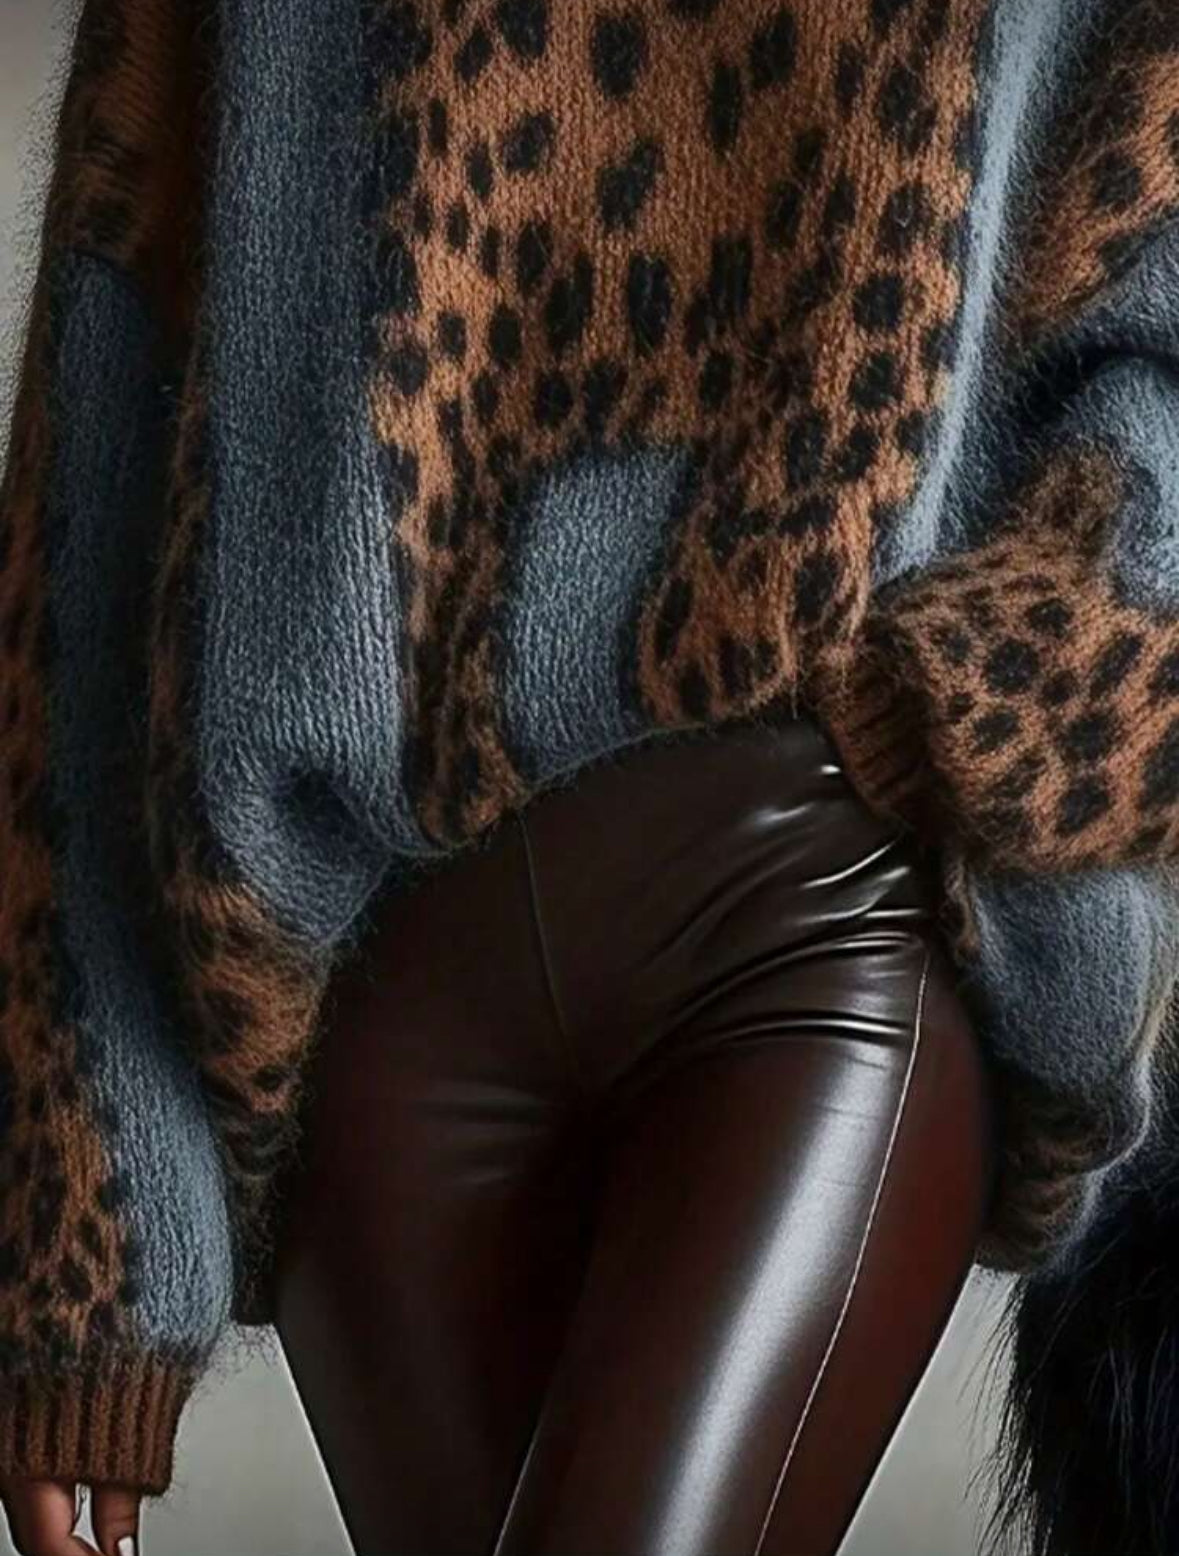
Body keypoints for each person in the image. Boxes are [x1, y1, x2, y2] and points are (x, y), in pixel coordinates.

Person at [1, 1, 1179, 1553]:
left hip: (801, 918)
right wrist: (82, 1265)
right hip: (372, 1001)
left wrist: (957, 707)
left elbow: (1159, 342)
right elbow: (91, 470)